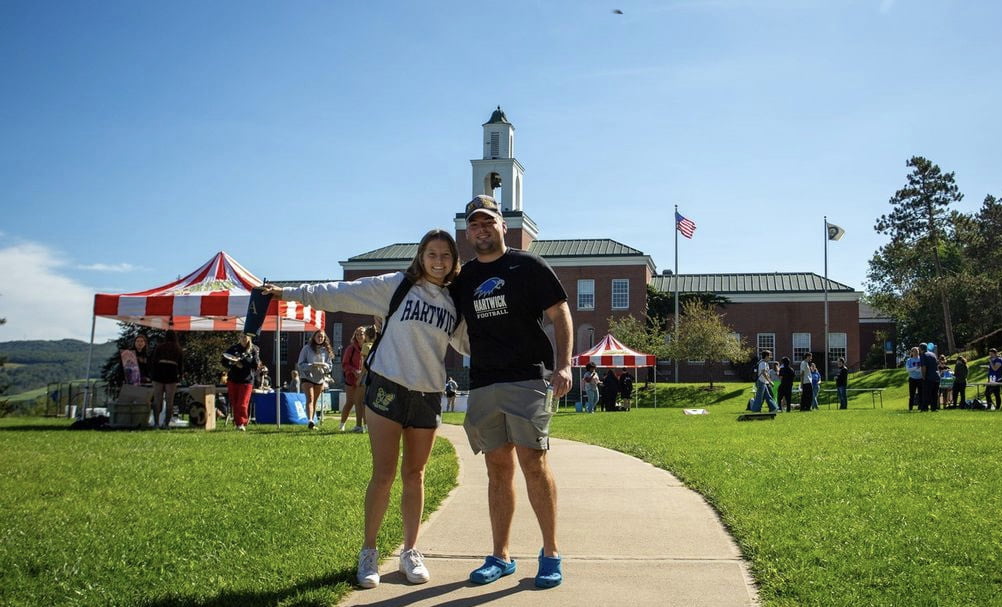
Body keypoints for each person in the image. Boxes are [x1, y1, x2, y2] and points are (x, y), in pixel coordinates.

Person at [262, 228, 464, 590]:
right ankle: (368, 551)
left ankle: (410, 551)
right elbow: (339, 294)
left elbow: (472, 344)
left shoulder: (454, 302)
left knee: (415, 475)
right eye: (432, 254)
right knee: (383, 474)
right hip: (388, 388)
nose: (438, 261)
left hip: (428, 394)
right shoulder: (396, 286)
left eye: (445, 256)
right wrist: (286, 292)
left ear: (453, 261)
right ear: (421, 256)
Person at [453, 194, 572, 589]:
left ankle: (551, 553)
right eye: (474, 224)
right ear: (467, 232)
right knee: (496, 468)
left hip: (527, 379)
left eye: (488, 222)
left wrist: (566, 364)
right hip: (484, 382)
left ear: (503, 225)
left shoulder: (528, 266)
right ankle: (501, 556)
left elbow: (560, 314)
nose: (481, 229)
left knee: (533, 463)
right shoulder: (464, 277)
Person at [222, 333, 261, 431]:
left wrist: (242, 364)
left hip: (246, 381)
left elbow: (255, 365)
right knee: (234, 402)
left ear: (249, 338)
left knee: (242, 403)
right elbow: (224, 361)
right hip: (233, 379)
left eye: (245, 337)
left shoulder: (254, 349)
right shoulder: (233, 349)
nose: (243, 339)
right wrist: (233, 363)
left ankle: (242, 423)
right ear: (239, 338)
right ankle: (237, 422)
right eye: (241, 337)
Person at [297, 331, 333, 430]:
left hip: (319, 378)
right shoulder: (306, 348)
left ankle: (311, 423)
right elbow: (300, 364)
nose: (320, 338)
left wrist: (325, 367)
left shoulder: (326, 350)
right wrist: (311, 365)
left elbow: (330, 366)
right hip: (307, 376)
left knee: (315, 401)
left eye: (322, 337)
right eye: (318, 336)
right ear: (314, 337)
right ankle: (310, 420)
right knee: (310, 398)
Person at [150, 330, 184, 429]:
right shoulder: (178, 349)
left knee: (157, 399)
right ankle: (166, 424)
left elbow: (154, 361)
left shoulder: (159, 347)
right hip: (172, 373)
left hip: (159, 373)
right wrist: (180, 376)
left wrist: (152, 374)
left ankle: (156, 423)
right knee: (170, 400)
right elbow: (181, 365)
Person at [339, 326, 366, 433]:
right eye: (357, 334)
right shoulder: (351, 349)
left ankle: (360, 426)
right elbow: (345, 364)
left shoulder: (368, 347)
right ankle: (342, 425)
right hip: (351, 379)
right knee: (350, 402)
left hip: (362, 379)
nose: (359, 336)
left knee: (360, 402)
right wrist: (354, 371)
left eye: (362, 334)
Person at [919, 343, 940, 412]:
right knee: (934, 394)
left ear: (920, 349)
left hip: (929, 377)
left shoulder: (923, 355)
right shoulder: (933, 354)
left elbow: (923, 367)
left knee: (926, 394)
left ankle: (925, 408)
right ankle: (934, 408)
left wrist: (923, 377)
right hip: (936, 376)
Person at [905, 346, 923, 411]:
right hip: (912, 379)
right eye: (914, 351)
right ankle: (910, 408)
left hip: (920, 379)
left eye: (917, 351)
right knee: (911, 394)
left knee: (921, 394)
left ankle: (920, 408)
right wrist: (916, 368)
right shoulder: (909, 360)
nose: (916, 352)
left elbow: (922, 369)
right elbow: (907, 369)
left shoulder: (921, 359)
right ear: (912, 352)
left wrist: (914, 369)